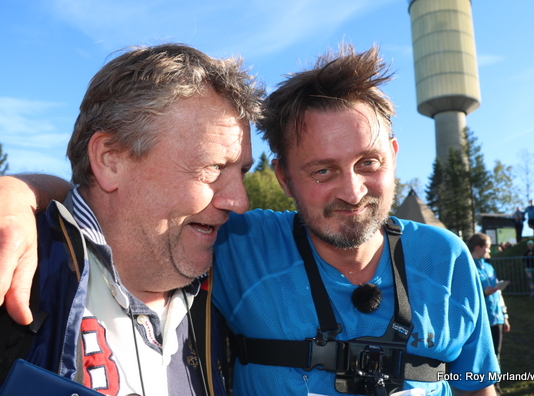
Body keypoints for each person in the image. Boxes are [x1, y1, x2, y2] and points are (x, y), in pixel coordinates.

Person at [0, 45, 499, 395]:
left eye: (368, 162)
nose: (351, 191)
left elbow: (477, 386)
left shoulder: (205, 263)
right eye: (214, 168)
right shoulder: (26, 277)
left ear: (392, 155)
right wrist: (18, 194)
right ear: (285, 178)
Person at [0, 44, 263, 395]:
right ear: (111, 160)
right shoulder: (16, 272)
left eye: (242, 171)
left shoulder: (230, 294)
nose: (240, 202)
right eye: (213, 168)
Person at [468, 234, 510, 395]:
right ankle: (479, 387)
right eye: (487, 246)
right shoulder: (468, 266)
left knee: (496, 354)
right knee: (481, 356)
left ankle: (495, 386)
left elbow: (498, 294)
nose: (490, 249)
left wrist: (504, 316)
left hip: (496, 317)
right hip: (479, 320)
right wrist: (483, 293)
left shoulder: (489, 267)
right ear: (478, 247)